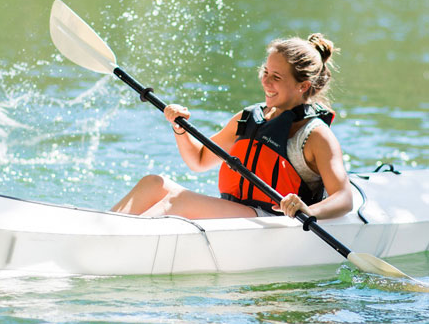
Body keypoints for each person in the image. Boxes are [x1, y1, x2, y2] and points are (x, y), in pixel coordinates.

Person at [111, 34, 353, 222]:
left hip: (274, 221)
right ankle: (100, 228)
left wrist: (307, 211)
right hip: (239, 213)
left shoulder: (315, 135)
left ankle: (119, 242)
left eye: (276, 77)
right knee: (154, 183)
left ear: (303, 86)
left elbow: (343, 198)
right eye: (265, 72)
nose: (265, 82)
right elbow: (199, 160)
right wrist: (179, 129)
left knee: (177, 201)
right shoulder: (250, 117)